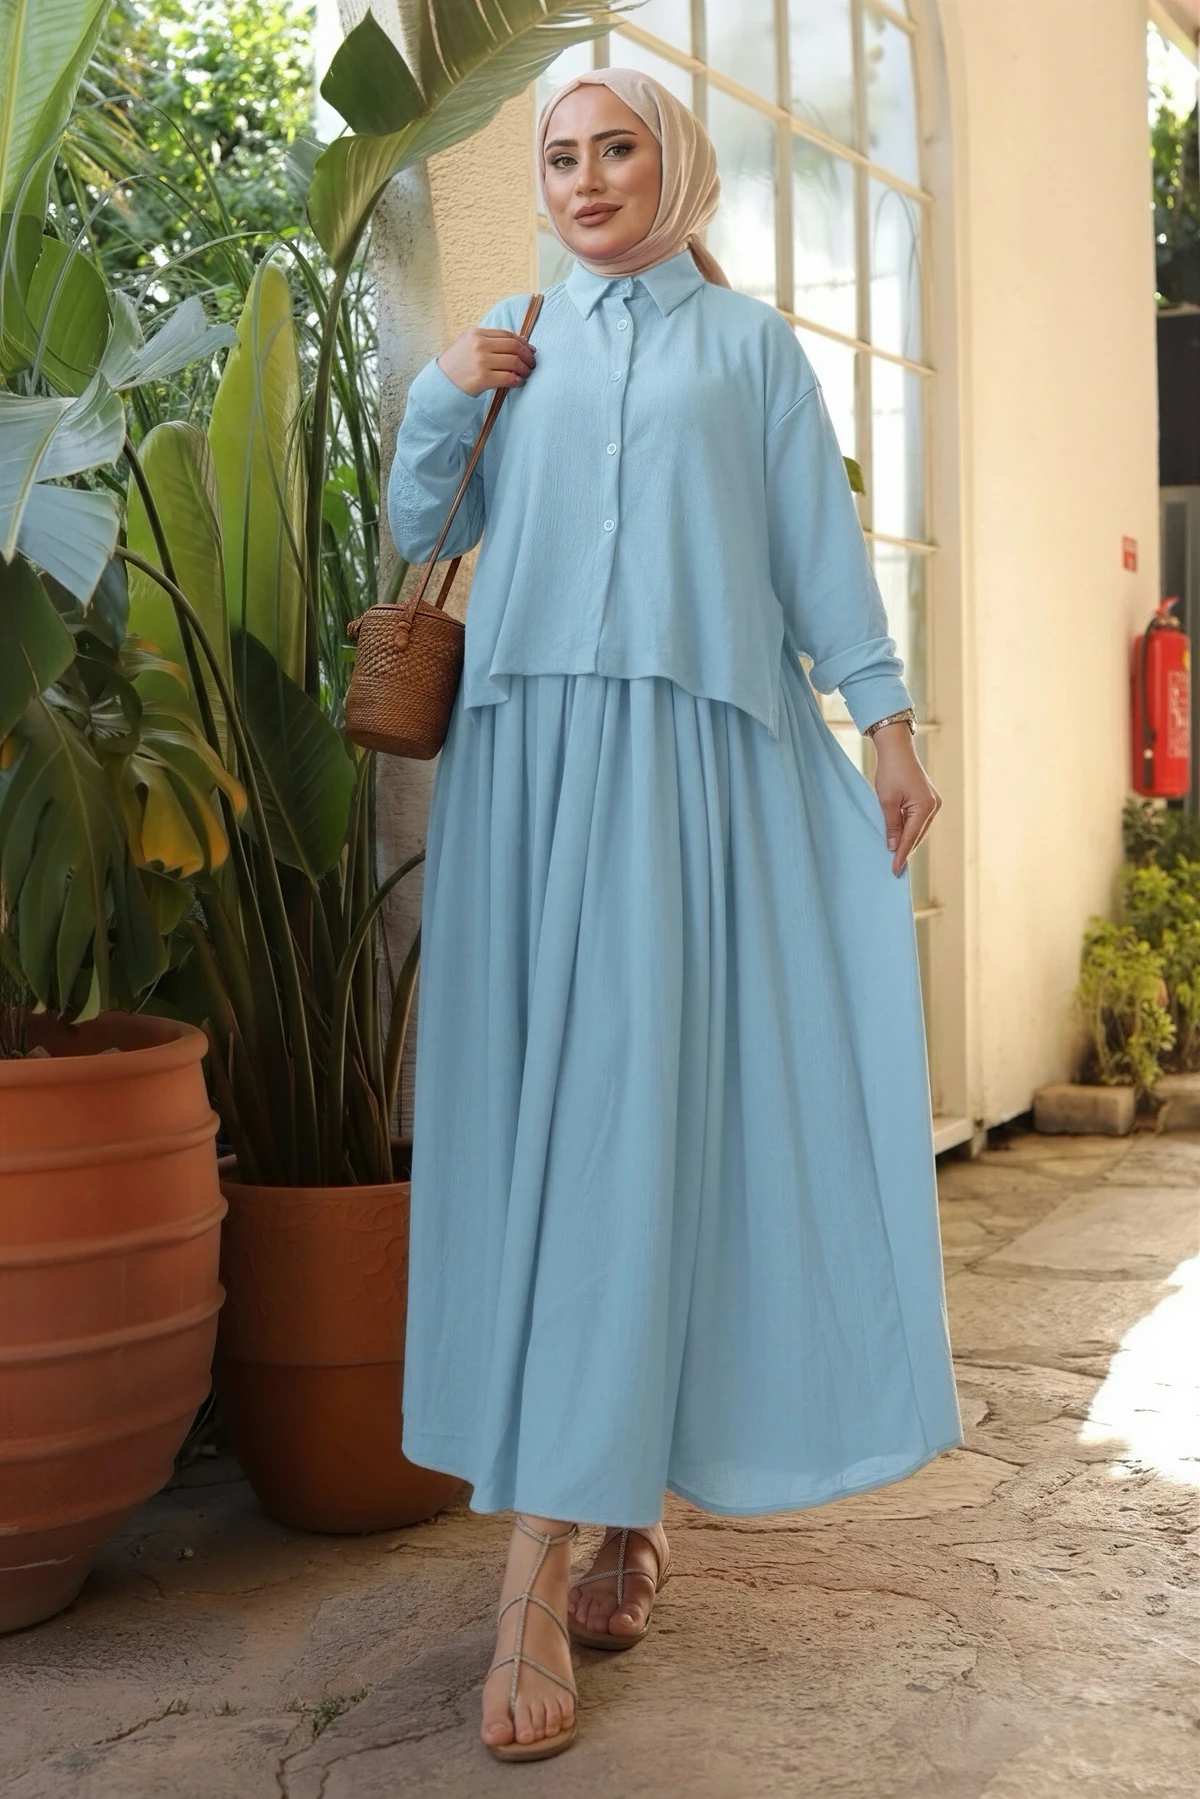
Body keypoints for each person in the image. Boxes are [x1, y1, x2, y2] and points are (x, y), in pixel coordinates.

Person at [386, 67, 962, 1765]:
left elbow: (814, 551)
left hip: (692, 782)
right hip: (529, 780)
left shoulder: (750, 350)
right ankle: (584, 1521)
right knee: (554, 1132)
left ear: (675, 165)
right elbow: (421, 524)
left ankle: (574, 1536)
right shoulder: (514, 338)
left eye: (616, 149)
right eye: (560, 156)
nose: (585, 180)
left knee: (654, 1129)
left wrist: (887, 718)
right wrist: (443, 388)